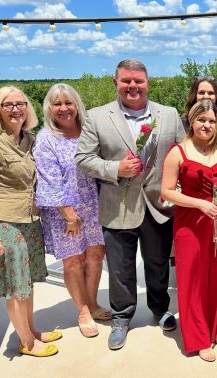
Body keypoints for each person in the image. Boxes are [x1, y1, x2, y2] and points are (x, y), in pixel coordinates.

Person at [75, 59, 185, 350]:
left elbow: (184, 155)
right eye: (126, 81)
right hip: (117, 206)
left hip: (159, 205)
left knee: (158, 263)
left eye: (138, 81)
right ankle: (122, 317)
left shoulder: (169, 115)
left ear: (148, 82)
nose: (132, 86)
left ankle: (160, 309)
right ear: (116, 83)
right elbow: (83, 159)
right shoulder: (97, 116)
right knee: (121, 269)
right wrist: (115, 169)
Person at [0, 86, 61, 357]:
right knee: (15, 285)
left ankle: (31, 330)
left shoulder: (30, 139)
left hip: (31, 220)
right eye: (8, 104)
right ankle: (27, 341)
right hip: (6, 223)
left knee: (28, 283)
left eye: (20, 104)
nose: (15, 109)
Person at [161, 100, 217, 362]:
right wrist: (199, 203)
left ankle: (215, 326)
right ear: (191, 121)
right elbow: (167, 191)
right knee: (192, 279)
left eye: (211, 120)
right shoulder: (178, 152)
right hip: (189, 225)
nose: (206, 125)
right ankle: (197, 337)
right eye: (201, 120)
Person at [33, 83, 110, 339]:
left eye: (68, 103)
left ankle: (94, 303)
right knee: (74, 261)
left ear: (77, 105)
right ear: (50, 109)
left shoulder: (88, 131)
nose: (64, 108)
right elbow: (48, 180)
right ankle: (82, 311)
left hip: (95, 204)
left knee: (96, 255)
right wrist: (68, 213)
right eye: (57, 104)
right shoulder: (46, 139)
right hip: (65, 211)